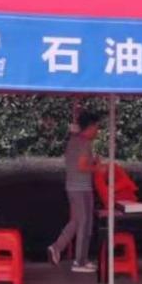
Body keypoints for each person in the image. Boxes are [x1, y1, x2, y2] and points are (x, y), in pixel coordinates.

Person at [48, 112, 102, 273]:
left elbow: (78, 163)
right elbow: (82, 166)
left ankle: (58, 247)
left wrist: (93, 163)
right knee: (84, 223)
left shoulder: (73, 141)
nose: (97, 131)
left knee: (78, 221)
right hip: (81, 188)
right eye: (96, 127)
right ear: (90, 127)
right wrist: (98, 168)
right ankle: (79, 261)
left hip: (74, 186)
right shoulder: (84, 143)